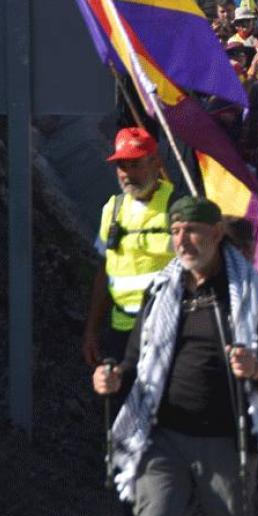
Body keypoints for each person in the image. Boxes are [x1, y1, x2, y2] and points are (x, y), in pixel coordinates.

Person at [92, 196, 258, 516]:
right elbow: (135, 361)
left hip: (226, 437)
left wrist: (256, 368)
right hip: (164, 436)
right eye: (175, 232)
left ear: (216, 233)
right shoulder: (162, 290)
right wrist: (112, 377)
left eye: (192, 231)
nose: (182, 241)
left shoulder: (254, 293)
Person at [83, 127, 175, 368]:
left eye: (135, 164)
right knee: (120, 402)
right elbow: (105, 272)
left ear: (155, 163)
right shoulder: (112, 211)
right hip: (122, 331)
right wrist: (91, 330)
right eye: (122, 165)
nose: (127, 173)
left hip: (167, 332)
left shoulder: (176, 206)